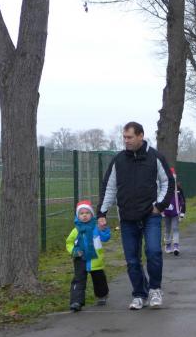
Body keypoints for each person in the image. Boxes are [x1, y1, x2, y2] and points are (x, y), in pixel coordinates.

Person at [97, 122, 175, 310]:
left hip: (151, 216)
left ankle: (155, 290)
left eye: (130, 137)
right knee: (132, 260)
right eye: (124, 137)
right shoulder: (118, 160)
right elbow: (109, 187)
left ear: (141, 136)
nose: (126, 140)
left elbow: (167, 182)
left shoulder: (155, 157)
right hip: (127, 217)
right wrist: (102, 212)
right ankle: (139, 294)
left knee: (153, 252)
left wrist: (159, 206)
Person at [67, 200, 111, 312]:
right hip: (80, 259)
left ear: (91, 214)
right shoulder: (76, 230)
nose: (84, 215)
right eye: (81, 213)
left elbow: (105, 238)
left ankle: (102, 295)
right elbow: (69, 243)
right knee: (78, 280)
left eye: (87, 213)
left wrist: (104, 229)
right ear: (78, 216)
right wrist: (74, 251)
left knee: (99, 278)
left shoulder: (96, 228)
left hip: (95, 259)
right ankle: (76, 301)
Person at [163, 167, 186, 256]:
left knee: (175, 228)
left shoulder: (178, 189)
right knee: (167, 229)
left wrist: (182, 213)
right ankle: (168, 245)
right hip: (166, 213)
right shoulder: (164, 188)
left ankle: (176, 246)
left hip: (175, 213)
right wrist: (161, 211)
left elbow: (183, 201)